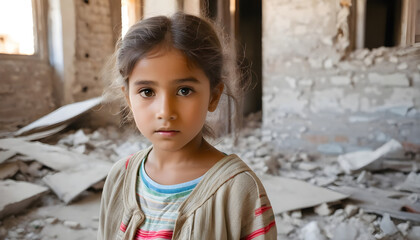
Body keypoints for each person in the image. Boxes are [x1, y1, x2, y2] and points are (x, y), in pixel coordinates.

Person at [98, 12, 277, 240]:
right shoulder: (119, 178)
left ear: (213, 96)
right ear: (128, 99)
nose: (165, 111)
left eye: (184, 90)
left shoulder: (238, 190)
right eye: (147, 92)